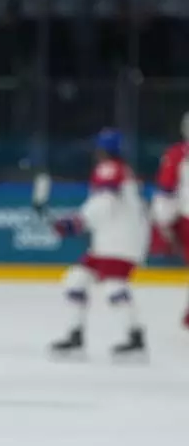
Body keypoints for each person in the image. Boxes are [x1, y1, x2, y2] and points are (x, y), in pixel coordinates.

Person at [49, 128, 148, 358]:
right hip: (113, 241)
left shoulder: (110, 169)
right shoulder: (122, 170)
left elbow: (104, 202)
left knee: (114, 287)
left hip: (118, 243)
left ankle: (135, 339)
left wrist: (76, 223)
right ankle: (76, 335)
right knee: (77, 279)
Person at [149, 113, 189, 329]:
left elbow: (166, 190)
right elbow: (166, 190)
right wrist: (164, 220)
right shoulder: (177, 155)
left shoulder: (177, 154)